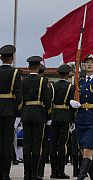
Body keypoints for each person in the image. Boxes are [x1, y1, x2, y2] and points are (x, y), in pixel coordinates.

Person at [21, 56, 51, 180]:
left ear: (29, 67)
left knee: (26, 144)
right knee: (37, 145)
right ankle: (34, 174)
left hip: (26, 113)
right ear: (38, 67)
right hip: (39, 114)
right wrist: (48, 115)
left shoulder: (23, 81)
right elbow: (48, 100)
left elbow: (20, 98)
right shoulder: (43, 81)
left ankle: (26, 174)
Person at [0, 45, 22, 180]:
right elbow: (18, 95)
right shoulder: (16, 73)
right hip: (9, 111)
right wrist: (18, 111)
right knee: (7, 143)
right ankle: (5, 174)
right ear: (12, 58)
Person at [49, 64, 75, 179]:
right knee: (62, 145)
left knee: (53, 144)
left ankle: (53, 172)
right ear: (68, 74)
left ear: (58, 74)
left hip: (54, 116)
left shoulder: (52, 86)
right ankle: (61, 171)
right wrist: (73, 119)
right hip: (65, 116)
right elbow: (73, 105)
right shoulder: (71, 87)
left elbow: (49, 102)